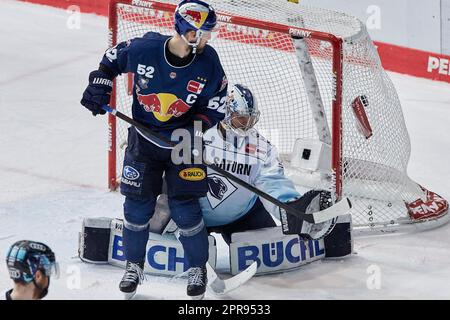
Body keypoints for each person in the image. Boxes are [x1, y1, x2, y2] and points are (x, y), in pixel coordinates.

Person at [80, 0, 227, 300]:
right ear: (190, 33)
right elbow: (110, 61)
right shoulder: (145, 49)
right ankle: (133, 266)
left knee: (185, 208)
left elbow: (217, 104)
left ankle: (197, 268)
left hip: (184, 144)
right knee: (136, 207)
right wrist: (99, 84)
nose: (209, 37)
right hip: (144, 143)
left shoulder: (208, 61)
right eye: (205, 32)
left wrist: (194, 127)